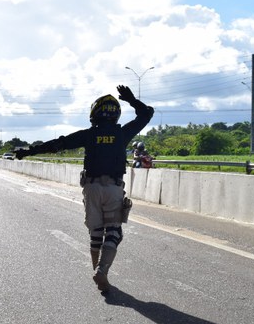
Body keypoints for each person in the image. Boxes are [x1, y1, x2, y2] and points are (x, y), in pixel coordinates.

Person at [14, 85, 153, 292]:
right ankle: (102, 271)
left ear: (94, 113)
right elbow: (147, 113)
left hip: (90, 188)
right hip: (113, 188)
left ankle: (98, 275)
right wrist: (132, 99)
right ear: (116, 114)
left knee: (96, 233)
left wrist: (28, 151)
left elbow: (58, 144)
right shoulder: (123, 133)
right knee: (114, 232)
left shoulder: (88, 135)